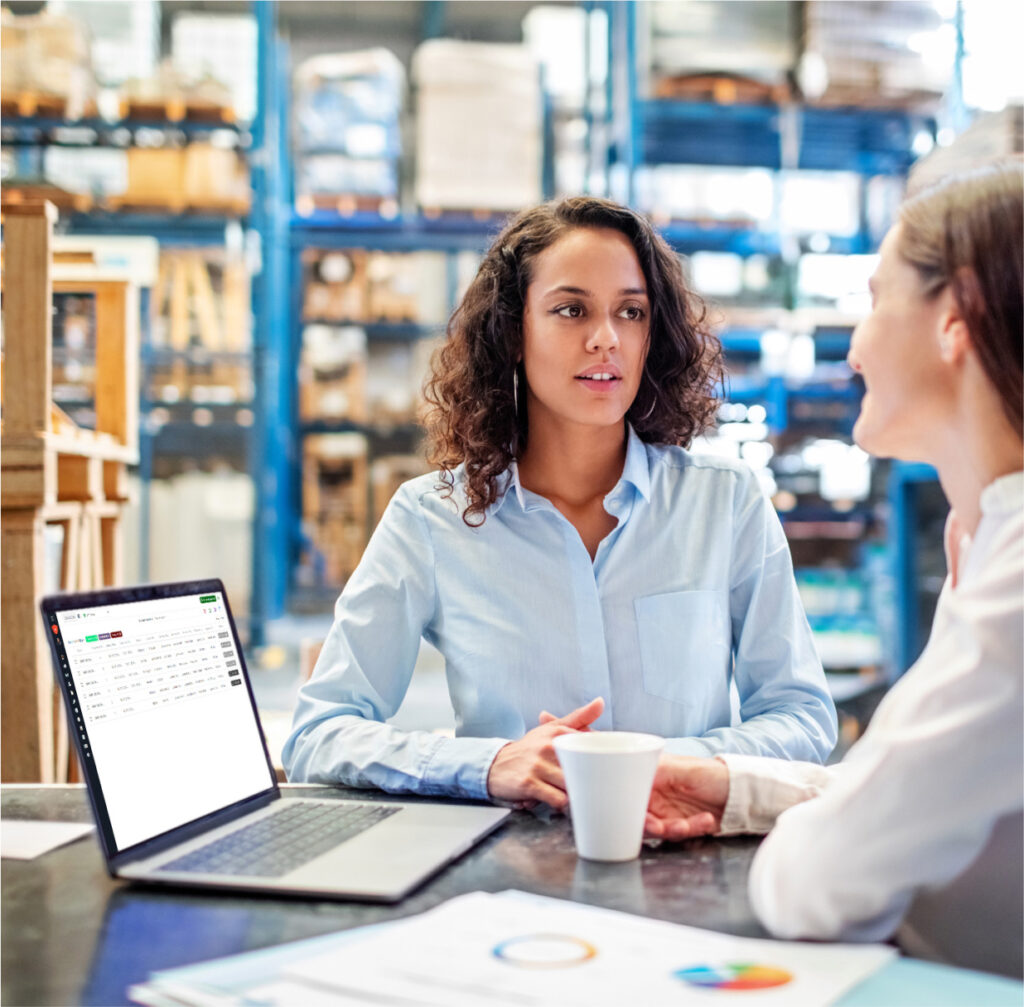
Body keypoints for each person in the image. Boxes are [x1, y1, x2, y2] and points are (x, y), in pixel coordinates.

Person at [283, 196, 837, 809]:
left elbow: (801, 716)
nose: (606, 339)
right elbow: (320, 732)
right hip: (507, 866)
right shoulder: (431, 518)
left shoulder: (725, 505)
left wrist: (667, 767)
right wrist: (490, 764)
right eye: (571, 310)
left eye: (631, 312)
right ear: (512, 333)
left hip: (688, 858)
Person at [643, 162, 1023, 979]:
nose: (852, 348)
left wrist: (788, 823)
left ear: (958, 318)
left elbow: (817, 885)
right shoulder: (985, 535)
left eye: (876, 302)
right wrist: (733, 784)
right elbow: (912, 794)